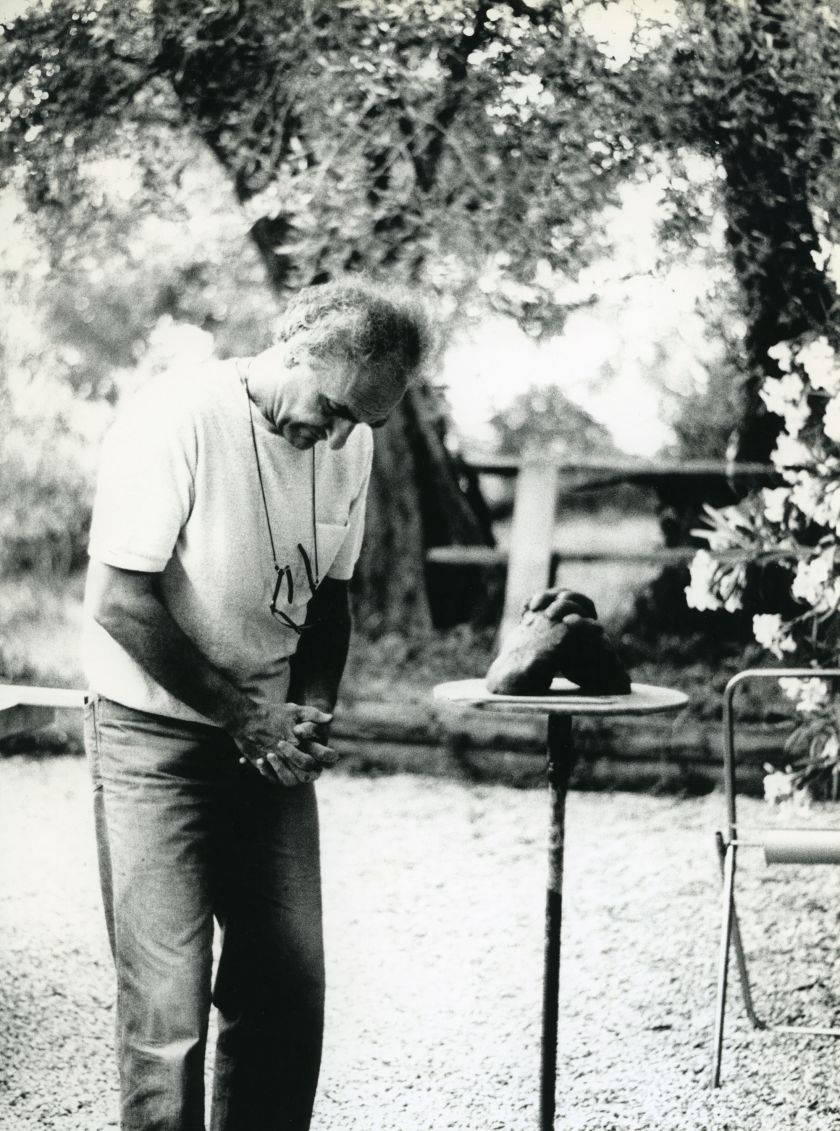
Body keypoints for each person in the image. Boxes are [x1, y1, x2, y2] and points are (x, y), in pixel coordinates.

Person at [81, 279, 432, 1131]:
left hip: (267, 735)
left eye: (367, 422)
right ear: (295, 349)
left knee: (285, 986)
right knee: (167, 1008)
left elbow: (332, 601)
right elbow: (118, 599)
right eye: (337, 405)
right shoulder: (179, 415)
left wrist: (310, 710)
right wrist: (247, 717)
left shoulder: (352, 442)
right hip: (153, 736)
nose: (342, 433)